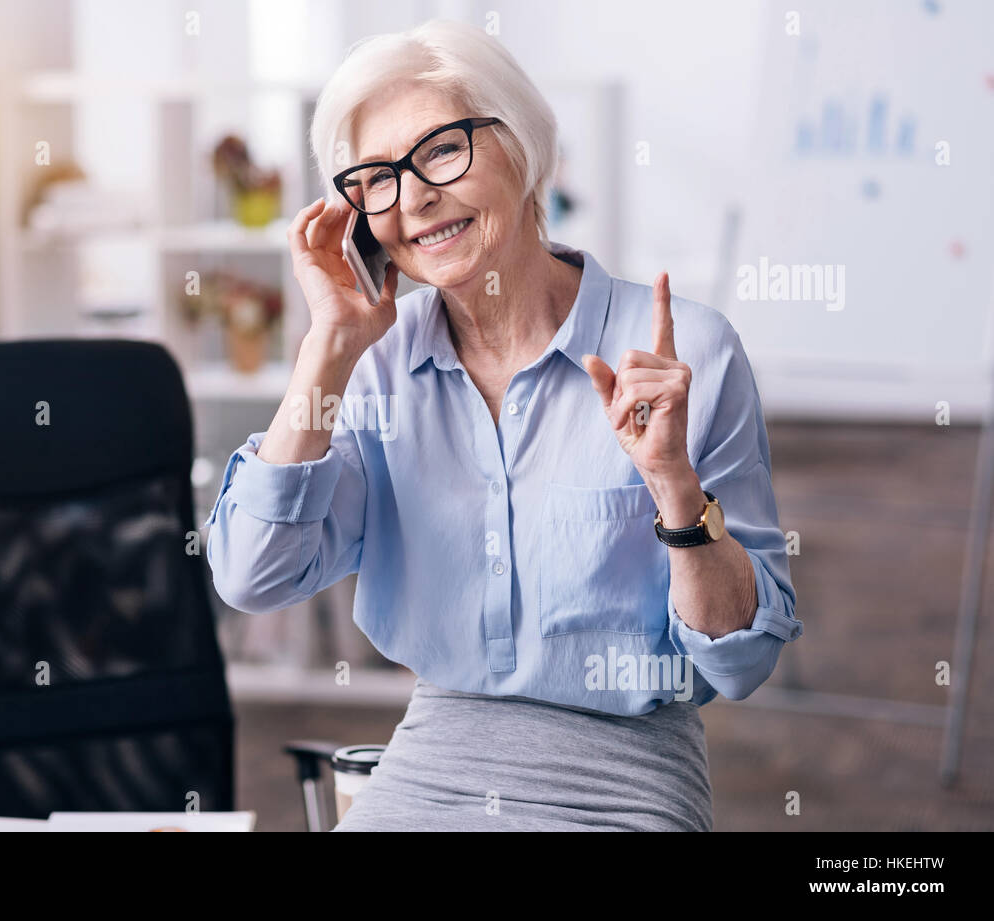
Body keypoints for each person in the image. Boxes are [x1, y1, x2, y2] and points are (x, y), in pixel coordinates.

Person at [203, 20, 803, 831]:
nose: (413, 196)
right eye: (376, 178)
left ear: (523, 150)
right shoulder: (374, 370)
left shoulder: (685, 352)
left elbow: (741, 660)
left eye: (442, 150)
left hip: (627, 773)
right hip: (432, 756)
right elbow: (253, 575)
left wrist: (673, 487)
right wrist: (328, 348)